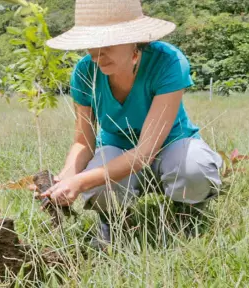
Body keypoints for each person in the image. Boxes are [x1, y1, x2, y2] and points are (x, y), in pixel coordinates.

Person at [35, 0, 223, 247]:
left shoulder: (168, 62)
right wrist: (64, 178)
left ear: (135, 40)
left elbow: (146, 151)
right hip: (117, 150)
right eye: (91, 43)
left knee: (193, 168)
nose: (97, 53)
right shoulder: (84, 72)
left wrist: (80, 182)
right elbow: (83, 141)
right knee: (99, 176)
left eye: (107, 42)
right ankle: (115, 223)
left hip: (170, 148)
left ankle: (186, 215)